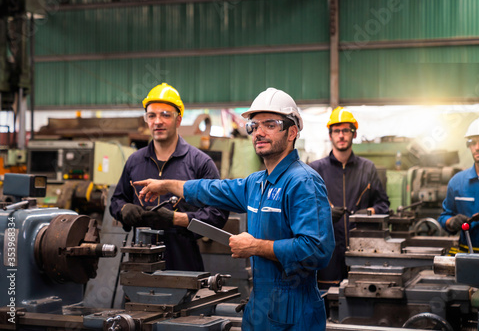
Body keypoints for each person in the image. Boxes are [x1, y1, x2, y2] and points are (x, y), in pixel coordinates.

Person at [134, 88, 335, 330]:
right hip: (260, 309)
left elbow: (317, 249)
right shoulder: (257, 182)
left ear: (292, 132)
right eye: (254, 125)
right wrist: (167, 185)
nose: (259, 132)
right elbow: (213, 189)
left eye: (270, 124)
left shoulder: (303, 182)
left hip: (295, 313)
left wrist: (256, 247)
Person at [109, 82, 229, 271]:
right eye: (152, 115)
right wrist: (123, 209)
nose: (158, 121)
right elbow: (117, 199)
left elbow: (217, 214)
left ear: (178, 120)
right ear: (146, 120)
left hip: (184, 261)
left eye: (166, 115)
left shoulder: (200, 163)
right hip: (139, 263)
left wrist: (177, 219)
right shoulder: (134, 161)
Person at [309, 106, 390, 288]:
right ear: (330, 136)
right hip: (326, 253)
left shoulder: (367, 168)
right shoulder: (315, 170)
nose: (341, 135)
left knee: (359, 299)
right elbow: (302, 209)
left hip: (362, 250)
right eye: (336, 131)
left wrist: (369, 212)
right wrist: (324, 214)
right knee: (327, 300)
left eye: (346, 130)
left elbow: (383, 204)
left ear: (353, 134)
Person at [438, 117, 479, 254]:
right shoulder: (457, 182)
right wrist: (451, 221)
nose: (477, 147)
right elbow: (444, 216)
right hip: (467, 256)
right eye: (472, 142)